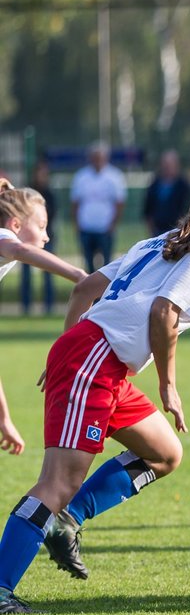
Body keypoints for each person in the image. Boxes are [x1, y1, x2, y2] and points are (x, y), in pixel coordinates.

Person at [0, 176, 190, 614]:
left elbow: (84, 289)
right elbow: (163, 311)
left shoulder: (161, 240)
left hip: (98, 359)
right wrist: (168, 384)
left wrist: (67, 347)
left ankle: (67, 520)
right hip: (96, 360)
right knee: (57, 483)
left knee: (164, 454)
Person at [0, 181, 90, 457]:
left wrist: (4, 419)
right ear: (15, 225)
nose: (47, 236)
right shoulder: (4, 238)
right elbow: (20, 251)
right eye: (41, 226)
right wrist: (77, 274)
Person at [70, 142, 127, 271]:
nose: (97, 161)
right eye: (95, 157)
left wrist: (113, 224)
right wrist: (77, 225)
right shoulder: (81, 176)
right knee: (88, 265)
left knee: (107, 266)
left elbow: (119, 203)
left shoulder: (115, 176)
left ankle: (104, 291)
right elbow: (75, 203)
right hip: (86, 227)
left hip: (105, 228)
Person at [19, 160, 58, 316]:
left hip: (44, 238)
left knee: (48, 273)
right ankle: (26, 306)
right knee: (26, 274)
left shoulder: (50, 193)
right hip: (27, 239)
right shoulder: (27, 193)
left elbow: (52, 215)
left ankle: (49, 306)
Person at [142, 149, 190, 238]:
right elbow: (148, 209)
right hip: (158, 230)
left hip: (177, 230)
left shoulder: (183, 185)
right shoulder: (155, 184)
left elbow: (187, 208)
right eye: (165, 164)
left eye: (169, 164)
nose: (167, 167)